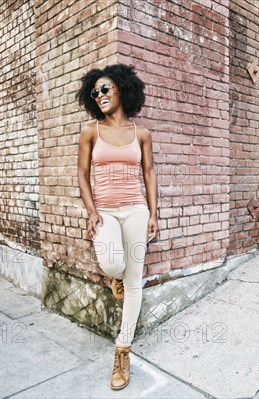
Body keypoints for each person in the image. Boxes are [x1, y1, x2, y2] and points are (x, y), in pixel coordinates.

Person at [76, 64, 159, 390]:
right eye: (94, 92)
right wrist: (92, 211)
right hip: (106, 212)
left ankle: (122, 351)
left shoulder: (141, 134)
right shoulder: (90, 132)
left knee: (135, 280)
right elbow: (83, 174)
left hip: (136, 209)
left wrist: (153, 213)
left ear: (122, 89)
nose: (99, 96)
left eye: (105, 89)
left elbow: (149, 173)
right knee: (113, 262)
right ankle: (117, 278)